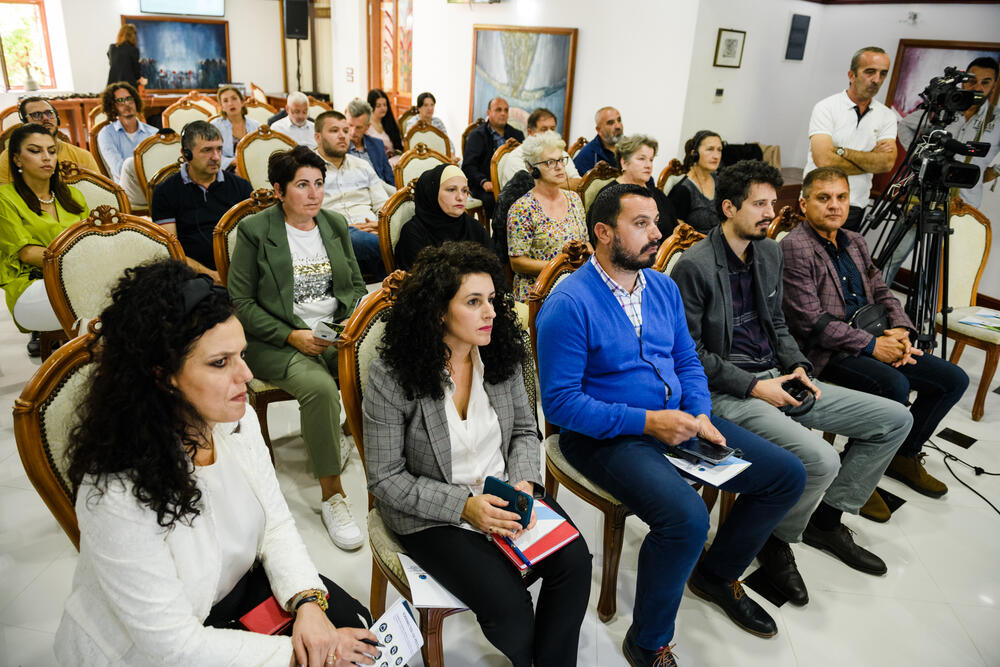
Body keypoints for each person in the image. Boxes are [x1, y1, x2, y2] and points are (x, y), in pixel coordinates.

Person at [56, 259, 377, 666]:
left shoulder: (235, 421)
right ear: (163, 375)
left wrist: (307, 603)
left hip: (235, 591)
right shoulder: (115, 491)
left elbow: (275, 523)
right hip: (150, 648)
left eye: (241, 354)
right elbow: (173, 646)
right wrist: (300, 657)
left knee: (357, 628)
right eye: (220, 362)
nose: (246, 375)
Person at [536, 183, 806, 665]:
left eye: (655, 222)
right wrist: (647, 422)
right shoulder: (569, 303)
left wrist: (699, 413)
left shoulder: (661, 287)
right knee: (686, 518)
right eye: (640, 224)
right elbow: (559, 405)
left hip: (678, 421)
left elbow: (687, 360)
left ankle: (716, 575)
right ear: (603, 232)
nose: (656, 234)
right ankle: (647, 641)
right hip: (604, 437)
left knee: (786, 475)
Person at [671, 161, 912, 609]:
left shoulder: (768, 252)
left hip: (780, 376)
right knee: (820, 459)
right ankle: (777, 541)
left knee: (895, 419)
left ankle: (823, 522)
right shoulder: (695, 266)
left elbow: (778, 325)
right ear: (729, 208)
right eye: (759, 204)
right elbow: (691, 354)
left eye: (772, 203)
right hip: (730, 390)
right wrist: (755, 386)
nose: (771, 213)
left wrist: (798, 365)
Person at [364, 241, 592, 667]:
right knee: (508, 605)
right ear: (438, 310)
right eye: (473, 302)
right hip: (435, 512)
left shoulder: (501, 354)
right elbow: (385, 477)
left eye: (491, 299)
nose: (490, 312)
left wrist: (524, 483)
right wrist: (465, 507)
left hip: (504, 492)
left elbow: (524, 430)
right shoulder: (392, 375)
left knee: (575, 562)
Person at [781, 166, 968, 503]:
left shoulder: (854, 241)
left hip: (873, 336)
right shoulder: (796, 247)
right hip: (825, 351)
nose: (834, 205)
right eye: (824, 198)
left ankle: (903, 455)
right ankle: (854, 474)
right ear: (804, 204)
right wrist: (872, 346)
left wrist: (901, 330)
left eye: (841, 197)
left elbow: (881, 290)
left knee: (952, 379)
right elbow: (812, 321)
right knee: (893, 384)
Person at [228, 146, 368, 551]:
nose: (314, 194)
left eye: (319, 184)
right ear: (279, 191)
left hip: (333, 332)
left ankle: (349, 439)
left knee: (380, 364)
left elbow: (356, 286)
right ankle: (333, 496)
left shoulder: (334, 224)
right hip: (274, 339)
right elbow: (240, 303)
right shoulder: (256, 231)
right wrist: (292, 336)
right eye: (302, 185)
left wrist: (342, 326)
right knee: (321, 389)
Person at [885, 56, 999, 285]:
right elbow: (906, 126)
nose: (977, 87)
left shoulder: (997, 119)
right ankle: (873, 303)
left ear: (994, 85)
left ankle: (926, 308)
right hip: (922, 197)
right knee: (892, 256)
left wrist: (989, 172)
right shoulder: (945, 107)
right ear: (964, 80)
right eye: (972, 80)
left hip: (962, 206)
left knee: (938, 270)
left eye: (985, 82)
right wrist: (920, 157)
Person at [0, 124, 88, 355]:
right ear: (17, 159)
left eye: (51, 150)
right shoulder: (4, 198)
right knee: (105, 299)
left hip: (79, 279)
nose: (46, 157)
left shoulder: (73, 195)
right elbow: (26, 253)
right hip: (31, 286)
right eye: (35, 150)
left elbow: (92, 240)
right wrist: (83, 261)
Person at [803, 46, 897, 231]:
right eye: (870, 72)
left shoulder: (887, 116)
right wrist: (870, 160)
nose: (876, 80)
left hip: (855, 204)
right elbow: (823, 160)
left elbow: (886, 164)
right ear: (851, 75)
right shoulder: (826, 107)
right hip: (819, 200)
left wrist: (841, 151)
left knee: (843, 251)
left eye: (883, 74)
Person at [151, 121, 253, 281]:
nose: (216, 157)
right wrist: (213, 276)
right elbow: (170, 251)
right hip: (192, 277)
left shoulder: (241, 186)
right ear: (186, 154)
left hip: (241, 272)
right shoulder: (165, 192)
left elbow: (254, 239)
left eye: (219, 149)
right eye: (207, 150)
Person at [506, 131, 588, 302]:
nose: (559, 167)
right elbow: (517, 262)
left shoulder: (574, 199)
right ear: (533, 169)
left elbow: (585, 243)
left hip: (574, 284)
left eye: (561, 160)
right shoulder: (522, 208)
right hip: (539, 290)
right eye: (550, 162)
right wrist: (561, 268)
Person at [313, 110, 389, 279]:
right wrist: (345, 228)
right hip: (335, 232)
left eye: (345, 131)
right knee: (388, 246)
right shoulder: (308, 169)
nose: (342, 136)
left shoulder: (362, 166)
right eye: (334, 131)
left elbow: (383, 206)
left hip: (372, 229)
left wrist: (381, 225)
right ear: (318, 137)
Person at [394, 164, 492, 271]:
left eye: (464, 190)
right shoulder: (413, 233)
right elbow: (417, 279)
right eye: (451, 189)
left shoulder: (474, 227)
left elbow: (495, 270)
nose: (460, 197)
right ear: (433, 192)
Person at [0, 98, 98, 185]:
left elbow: (99, 192)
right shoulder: (11, 156)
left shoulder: (83, 156)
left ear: (57, 118)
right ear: (25, 123)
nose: (45, 118)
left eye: (49, 113)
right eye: (36, 115)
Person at [604, 134, 677, 240]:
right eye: (641, 159)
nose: (648, 165)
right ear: (624, 163)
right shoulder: (609, 196)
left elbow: (675, 229)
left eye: (651, 160)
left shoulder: (657, 194)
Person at [462, 97, 524, 218]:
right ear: (489, 112)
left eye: (506, 110)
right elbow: (468, 166)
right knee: (495, 201)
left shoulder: (517, 135)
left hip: (512, 183)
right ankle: (498, 229)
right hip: (485, 185)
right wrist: (483, 181)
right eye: (498, 110)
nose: (503, 113)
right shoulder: (476, 135)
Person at [498, 108, 581, 190]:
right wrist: (564, 182)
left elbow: (579, 183)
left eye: (552, 129)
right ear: (530, 132)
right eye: (544, 129)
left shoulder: (560, 153)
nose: (550, 134)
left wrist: (548, 183)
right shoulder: (517, 157)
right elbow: (533, 190)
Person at [96, 81, 157, 182]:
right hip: (125, 188)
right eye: (120, 100)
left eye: (129, 99)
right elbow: (120, 171)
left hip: (152, 185)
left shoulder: (153, 133)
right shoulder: (106, 134)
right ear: (112, 106)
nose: (127, 103)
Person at [667, 130, 723, 233]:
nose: (716, 156)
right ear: (695, 154)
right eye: (710, 149)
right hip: (698, 242)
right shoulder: (682, 190)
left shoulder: (720, 181)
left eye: (719, 150)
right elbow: (678, 234)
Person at [345, 98, 395, 186]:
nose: (352, 132)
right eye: (350, 125)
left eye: (359, 127)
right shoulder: (340, 147)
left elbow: (390, 179)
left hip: (380, 189)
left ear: (367, 127)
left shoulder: (377, 145)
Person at [212, 84, 261, 171]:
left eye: (234, 99)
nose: (230, 103)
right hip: (225, 170)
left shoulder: (256, 125)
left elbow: (261, 151)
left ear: (242, 102)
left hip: (253, 167)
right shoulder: (215, 126)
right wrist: (234, 162)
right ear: (222, 107)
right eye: (225, 101)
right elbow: (211, 154)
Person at [572, 106, 623, 175]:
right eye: (611, 123)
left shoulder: (630, 147)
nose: (618, 126)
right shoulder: (587, 155)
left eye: (619, 120)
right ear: (599, 130)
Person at [365, 88, 404, 163]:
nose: (383, 108)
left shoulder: (389, 123)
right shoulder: (366, 126)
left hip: (393, 160)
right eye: (378, 106)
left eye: (385, 105)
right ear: (371, 107)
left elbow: (398, 147)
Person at [106, 23, 146, 88]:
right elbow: (137, 74)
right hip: (128, 88)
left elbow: (112, 64)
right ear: (133, 36)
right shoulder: (133, 50)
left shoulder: (112, 48)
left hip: (112, 88)